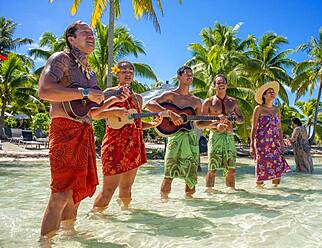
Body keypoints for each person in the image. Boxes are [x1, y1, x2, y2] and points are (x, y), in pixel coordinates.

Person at [38, 21, 128, 239]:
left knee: (75, 194)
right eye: (84, 33)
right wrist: (86, 92)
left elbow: (90, 113)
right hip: (63, 131)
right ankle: (44, 244)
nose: (91, 36)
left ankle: (69, 236)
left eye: (92, 33)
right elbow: (45, 90)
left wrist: (111, 100)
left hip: (83, 131)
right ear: (71, 39)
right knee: (60, 193)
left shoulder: (91, 74)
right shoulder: (61, 59)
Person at [93, 61, 164, 210]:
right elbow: (95, 115)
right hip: (114, 145)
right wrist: (114, 111)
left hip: (134, 146)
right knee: (108, 190)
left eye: (130, 72)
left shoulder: (138, 98)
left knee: (127, 188)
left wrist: (152, 124)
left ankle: (126, 216)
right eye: (124, 71)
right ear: (117, 74)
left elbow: (136, 123)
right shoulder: (109, 93)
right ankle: (95, 219)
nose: (128, 74)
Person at [145, 66, 202, 199]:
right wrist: (170, 114)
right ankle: (164, 202)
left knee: (191, 173)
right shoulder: (170, 95)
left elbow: (199, 123)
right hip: (174, 137)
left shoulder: (196, 101)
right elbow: (149, 104)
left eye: (191, 74)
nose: (189, 76)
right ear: (179, 77)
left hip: (191, 138)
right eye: (186, 74)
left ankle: (191, 203)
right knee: (169, 172)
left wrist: (216, 122)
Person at [197, 74, 244, 192]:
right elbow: (199, 123)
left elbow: (242, 119)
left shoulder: (233, 102)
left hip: (229, 136)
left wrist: (235, 118)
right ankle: (209, 193)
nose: (221, 84)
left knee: (231, 169)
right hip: (215, 136)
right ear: (214, 86)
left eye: (223, 82)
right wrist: (214, 124)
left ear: (226, 85)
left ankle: (231, 193)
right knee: (212, 168)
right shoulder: (208, 102)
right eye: (218, 83)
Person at [250, 81, 290, 187]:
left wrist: (281, 142)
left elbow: (279, 128)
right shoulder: (258, 109)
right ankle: (259, 192)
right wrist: (251, 145)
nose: (272, 93)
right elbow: (254, 128)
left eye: (273, 92)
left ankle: (276, 191)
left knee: (277, 167)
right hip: (261, 143)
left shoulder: (277, 110)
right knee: (261, 167)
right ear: (264, 95)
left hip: (275, 143)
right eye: (269, 92)